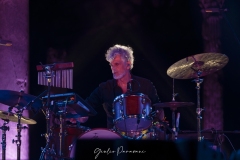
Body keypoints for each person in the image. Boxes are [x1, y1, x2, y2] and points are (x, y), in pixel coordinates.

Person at [84, 44, 164, 133]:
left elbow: (158, 108)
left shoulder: (146, 84)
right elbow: (87, 106)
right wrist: (79, 115)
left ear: (128, 65)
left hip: (143, 135)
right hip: (115, 138)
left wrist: (158, 123)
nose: (113, 68)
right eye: (111, 65)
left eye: (116, 64)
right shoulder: (105, 87)